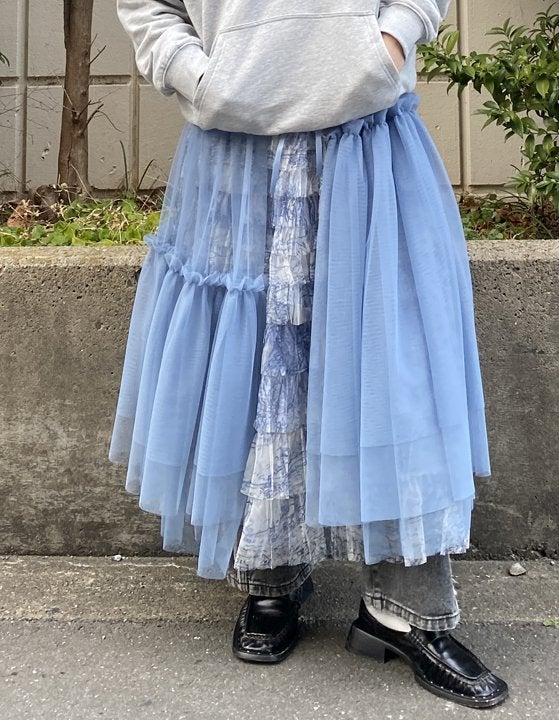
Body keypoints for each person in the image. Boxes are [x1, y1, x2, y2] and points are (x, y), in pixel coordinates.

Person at [110, 0, 509, 709]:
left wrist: (391, 38)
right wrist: (195, 73)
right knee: (252, 357)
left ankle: (404, 610)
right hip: (233, 140)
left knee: (392, 361)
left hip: (367, 130)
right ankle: (272, 574)